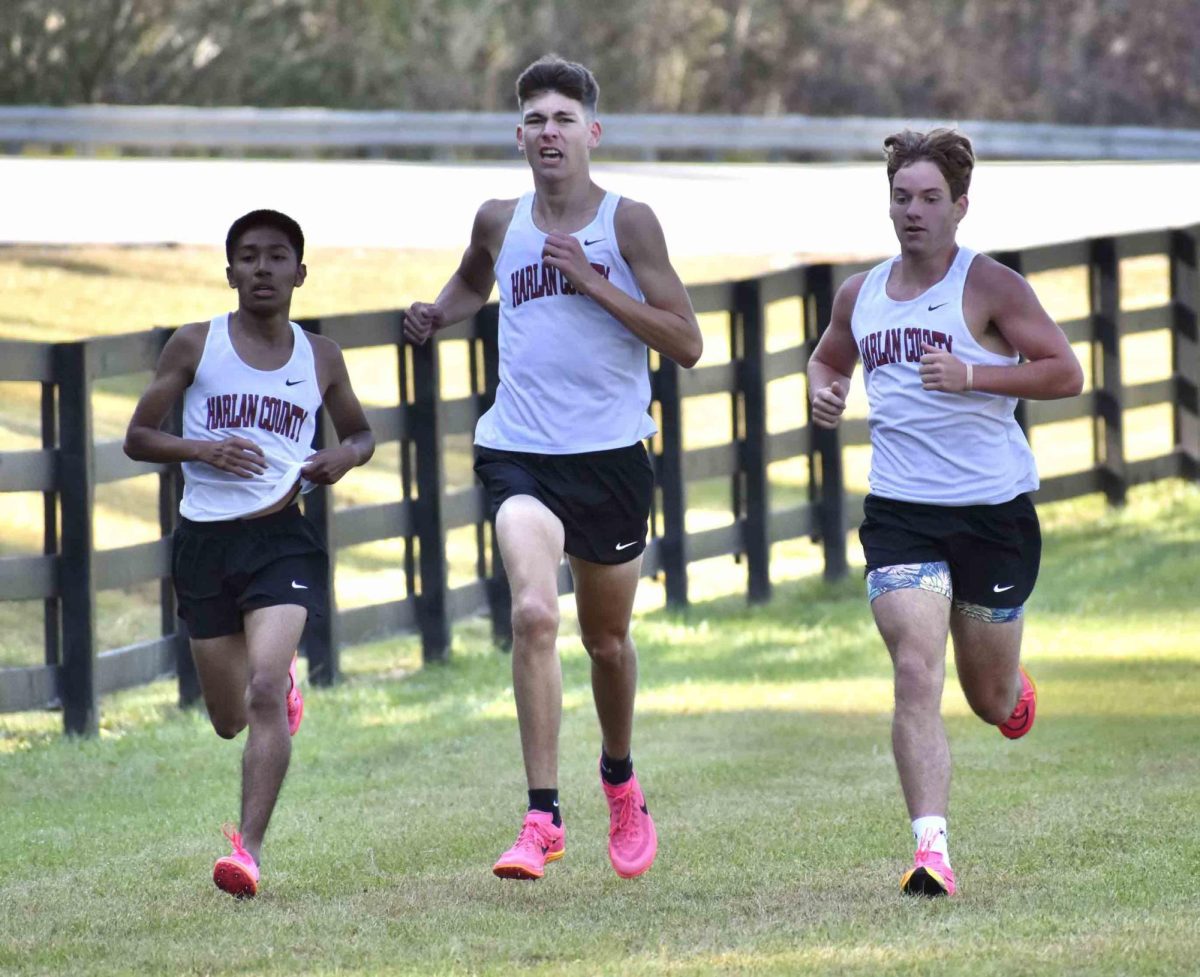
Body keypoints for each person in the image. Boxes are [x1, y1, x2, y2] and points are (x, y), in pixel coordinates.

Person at [405, 55, 702, 881]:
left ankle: (619, 777)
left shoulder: (629, 223)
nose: (548, 133)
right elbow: (472, 281)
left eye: (564, 119)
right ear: (519, 133)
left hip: (608, 457)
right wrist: (437, 312)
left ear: (592, 133)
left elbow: (686, 342)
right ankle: (542, 815)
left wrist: (593, 282)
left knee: (606, 640)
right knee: (535, 612)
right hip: (518, 451)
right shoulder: (500, 220)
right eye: (535, 119)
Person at [807, 129, 1083, 897]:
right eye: (902, 198)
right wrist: (822, 389)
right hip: (901, 513)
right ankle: (932, 849)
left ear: (961, 206)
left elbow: (1064, 371)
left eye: (931, 199)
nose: (914, 212)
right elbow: (830, 355)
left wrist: (974, 374)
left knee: (987, 699)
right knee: (913, 667)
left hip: (993, 514)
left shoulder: (989, 286)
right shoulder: (859, 294)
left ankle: (1010, 691)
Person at [124, 209, 375, 897]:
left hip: (280, 535)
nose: (263, 268)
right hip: (205, 541)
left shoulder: (319, 355)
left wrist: (339, 458)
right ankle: (279, 688)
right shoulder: (195, 345)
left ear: (301, 271)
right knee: (230, 717)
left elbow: (362, 434)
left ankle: (249, 850)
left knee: (263, 687)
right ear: (229, 271)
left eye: (277, 256)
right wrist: (202, 448)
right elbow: (138, 436)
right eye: (249, 257)